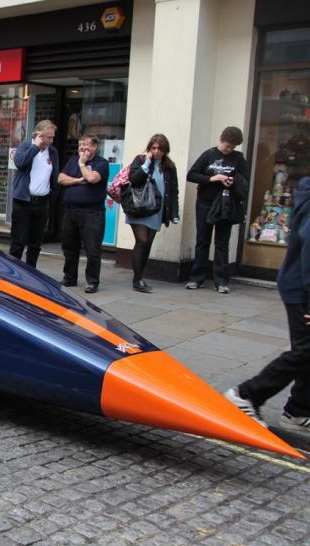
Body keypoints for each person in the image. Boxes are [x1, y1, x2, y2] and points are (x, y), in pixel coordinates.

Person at [225, 176, 310, 435]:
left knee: (307, 349)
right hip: (301, 287)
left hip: (298, 283)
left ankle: (298, 411)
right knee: (306, 349)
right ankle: (246, 395)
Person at [186, 126, 249, 294]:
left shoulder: (239, 159)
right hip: (205, 204)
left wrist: (232, 182)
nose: (229, 150)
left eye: (232, 147)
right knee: (202, 240)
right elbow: (191, 174)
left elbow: (245, 182)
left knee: (222, 242)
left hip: (226, 205)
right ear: (221, 140)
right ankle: (197, 278)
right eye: (227, 146)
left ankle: (221, 280)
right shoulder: (209, 154)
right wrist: (212, 178)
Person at [125, 134, 181, 293]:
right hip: (139, 208)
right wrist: (147, 163)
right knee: (142, 241)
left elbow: (173, 190)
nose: (156, 151)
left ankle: (140, 276)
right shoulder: (141, 160)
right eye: (153, 148)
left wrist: (174, 212)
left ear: (165, 151)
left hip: (156, 209)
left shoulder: (170, 166)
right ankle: (137, 280)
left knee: (147, 243)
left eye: (160, 149)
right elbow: (134, 179)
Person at [57, 135, 109, 293]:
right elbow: (60, 178)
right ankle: (70, 277)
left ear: (95, 147)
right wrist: (79, 181)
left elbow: (92, 178)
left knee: (92, 249)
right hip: (71, 211)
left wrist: (82, 165)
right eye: (80, 145)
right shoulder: (72, 160)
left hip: (92, 213)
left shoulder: (101, 163)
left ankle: (92, 281)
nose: (82, 148)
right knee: (69, 247)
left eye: (86, 145)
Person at [10, 120, 60, 267]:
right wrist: (35, 147)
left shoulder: (52, 152)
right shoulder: (26, 146)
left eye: (52, 137)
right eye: (48, 137)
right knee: (18, 241)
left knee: (36, 242)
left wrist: (52, 193)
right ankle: (14, 272)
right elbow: (19, 162)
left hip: (42, 202)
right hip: (23, 201)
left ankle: (31, 272)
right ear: (39, 135)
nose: (51, 140)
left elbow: (54, 175)